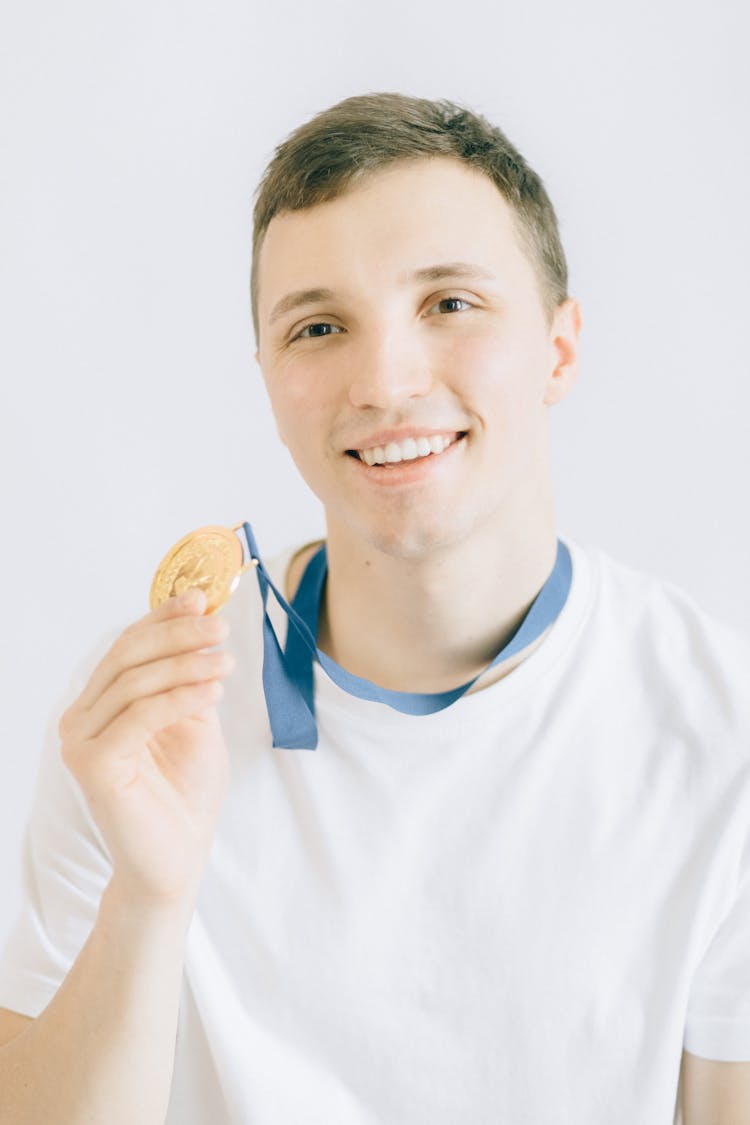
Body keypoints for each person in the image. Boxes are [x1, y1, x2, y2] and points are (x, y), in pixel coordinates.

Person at [0, 92, 748, 1125]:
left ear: (560, 350)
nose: (385, 379)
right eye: (319, 326)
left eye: (449, 303)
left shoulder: (722, 731)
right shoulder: (138, 726)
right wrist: (147, 899)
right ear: (268, 380)